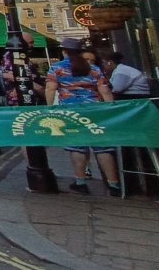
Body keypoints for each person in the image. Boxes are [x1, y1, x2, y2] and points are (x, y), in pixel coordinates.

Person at [46, 37, 121, 196]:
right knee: (102, 147)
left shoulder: (57, 68)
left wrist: (50, 108)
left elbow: (50, 89)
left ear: (64, 51)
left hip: (71, 111)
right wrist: (111, 108)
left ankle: (80, 182)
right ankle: (113, 184)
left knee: (77, 146)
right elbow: (105, 90)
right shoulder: (93, 68)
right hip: (95, 110)